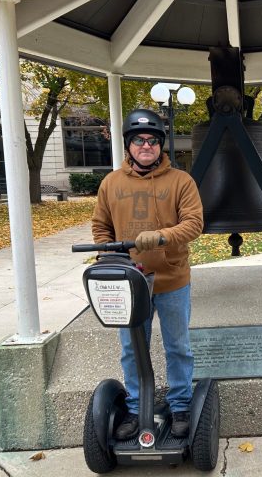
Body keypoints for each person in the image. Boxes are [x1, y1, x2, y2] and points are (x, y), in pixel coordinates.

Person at [91, 108, 204, 440]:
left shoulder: (181, 181)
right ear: (128, 145)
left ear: (160, 145)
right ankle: (138, 405)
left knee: (178, 346)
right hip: (129, 283)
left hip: (171, 280)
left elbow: (195, 223)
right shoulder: (111, 183)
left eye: (152, 140)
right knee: (131, 348)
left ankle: (180, 404)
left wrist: (163, 235)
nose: (145, 146)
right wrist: (109, 253)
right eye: (138, 140)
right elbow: (101, 226)